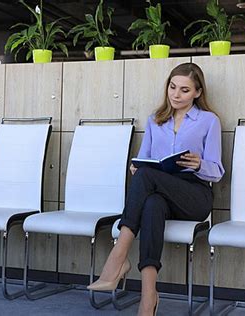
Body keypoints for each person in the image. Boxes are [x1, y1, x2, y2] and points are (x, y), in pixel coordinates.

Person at [87, 62, 225, 316]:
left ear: (197, 92)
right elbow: (144, 160)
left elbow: (217, 171)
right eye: (172, 87)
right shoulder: (155, 120)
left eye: (184, 90)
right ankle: (148, 297)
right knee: (151, 204)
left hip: (194, 196)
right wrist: (135, 169)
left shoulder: (209, 121)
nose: (176, 94)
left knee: (149, 180)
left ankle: (118, 255)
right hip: (159, 193)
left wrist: (199, 164)